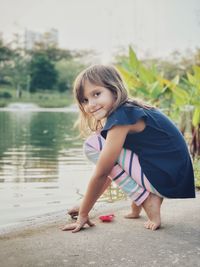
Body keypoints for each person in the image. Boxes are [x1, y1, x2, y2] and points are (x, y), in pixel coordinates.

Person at [61, 64, 195, 233]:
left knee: (92, 145)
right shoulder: (128, 109)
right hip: (172, 173)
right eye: (85, 100)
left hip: (168, 177)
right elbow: (111, 171)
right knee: (103, 148)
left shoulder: (122, 117)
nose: (91, 104)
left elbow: (103, 172)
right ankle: (139, 201)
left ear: (114, 90)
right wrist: (85, 204)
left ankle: (148, 199)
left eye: (96, 94)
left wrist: (83, 213)